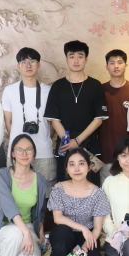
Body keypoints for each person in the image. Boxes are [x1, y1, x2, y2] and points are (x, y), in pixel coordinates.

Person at [0, 134, 49, 256]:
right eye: (19, 150)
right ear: (13, 153)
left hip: (28, 225)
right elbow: (9, 207)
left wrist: (40, 230)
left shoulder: (40, 180)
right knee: (15, 233)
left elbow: (40, 209)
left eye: (29, 149)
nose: (24, 154)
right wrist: (25, 233)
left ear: (34, 153)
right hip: (5, 226)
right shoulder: (3, 175)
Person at [45, 41, 108, 186]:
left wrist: (78, 141)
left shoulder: (95, 85)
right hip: (65, 147)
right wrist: (68, 142)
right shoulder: (58, 86)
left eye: (80, 56)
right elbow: (54, 119)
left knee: (91, 187)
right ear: (66, 59)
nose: (76, 60)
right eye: (71, 56)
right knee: (65, 186)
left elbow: (98, 119)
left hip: (90, 146)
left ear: (86, 59)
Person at [48, 148, 111, 256]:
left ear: (89, 167)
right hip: (64, 237)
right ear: (67, 169)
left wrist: (85, 245)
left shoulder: (98, 194)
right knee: (61, 232)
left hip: (87, 237)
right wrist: (83, 228)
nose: (76, 169)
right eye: (72, 164)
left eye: (81, 164)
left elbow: (97, 228)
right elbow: (58, 218)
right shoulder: (59, 189)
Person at [2, 47, 56, 188]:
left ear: (38, 65)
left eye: (32, 62)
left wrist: (45, 136)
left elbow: (53, 123)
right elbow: (8, 122)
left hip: (43, 151)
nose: (28, 65)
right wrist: (17, 140)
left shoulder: (49, 91)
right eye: (24, 62)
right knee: (16, 192)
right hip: (18, 152)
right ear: (18, 66)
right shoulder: (9, 91)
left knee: (45, 193)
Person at [99, 49, 129, 185]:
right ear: (107, 67)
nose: (116, 66)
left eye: (119, 62)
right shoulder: (100, 90)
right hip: (106, 153)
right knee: (107, 192)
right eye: (112, 63)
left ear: (126, 65)